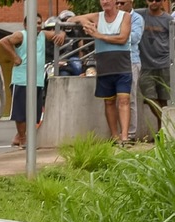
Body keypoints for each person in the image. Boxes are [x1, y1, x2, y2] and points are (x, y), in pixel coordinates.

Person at [0, 14, 64, 148]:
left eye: (39, 23)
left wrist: (62, 34)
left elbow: (57, 33)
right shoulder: (21, 35)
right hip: (22, 79)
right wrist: (15, 58)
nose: (37, 25)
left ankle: (18, 137)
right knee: (21, 112)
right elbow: (3, 42)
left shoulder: (42, 35)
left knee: (35, 112)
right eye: (34, 23)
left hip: (38, 79)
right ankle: (23, 138)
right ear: (26, 25)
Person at [71, 0, 132, 145]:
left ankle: (125, 136)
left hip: (122, 64)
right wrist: (86, 22)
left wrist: (99, 35)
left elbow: (123, 38)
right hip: (104, 65)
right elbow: (72, 18)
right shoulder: (97, 16)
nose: (105, 2)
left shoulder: (125, 16)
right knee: (109, 102)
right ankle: (115, 136)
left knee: (124, 100)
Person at [137, 0, 170, 134]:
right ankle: (168, 125)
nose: (154, 2)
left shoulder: (168, 19)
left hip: (165, 63)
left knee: (163, 99)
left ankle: (162, 132)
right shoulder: (140, 15)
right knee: (149, 98)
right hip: (146, 64)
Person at [118, 0, 144, 141]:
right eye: (117, 3)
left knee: (130, 98)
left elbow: (134, 38)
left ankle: (131, 134)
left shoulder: (137, 18)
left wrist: (116, 34)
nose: (119, 6)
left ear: (131, 1)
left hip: (131, 61)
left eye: (122, 2)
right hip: (115, 61)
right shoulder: (113, 17)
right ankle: (119, 134)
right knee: (116, 99)